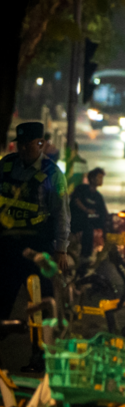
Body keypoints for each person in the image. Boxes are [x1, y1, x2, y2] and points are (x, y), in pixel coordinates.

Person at [0, 122, 71, 318]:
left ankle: (42, 347)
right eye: (20, 143)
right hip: (6, 244)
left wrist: (61, 249)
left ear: (41, 143)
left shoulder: (53, 174)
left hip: (36, 245)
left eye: (28, 144)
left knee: (43, 305)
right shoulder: (5, 165)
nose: (22, 148)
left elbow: (61, 214)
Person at [70, 166, 110, 259]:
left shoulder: (98, 196)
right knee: (88, 228)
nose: (101, 180)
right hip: (76, 220)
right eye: (99, 177)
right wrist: (86, 210)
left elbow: (103, 212)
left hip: (90, 222)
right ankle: (85, 256)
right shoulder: (81, 189)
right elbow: (76, 200)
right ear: (92, 178)